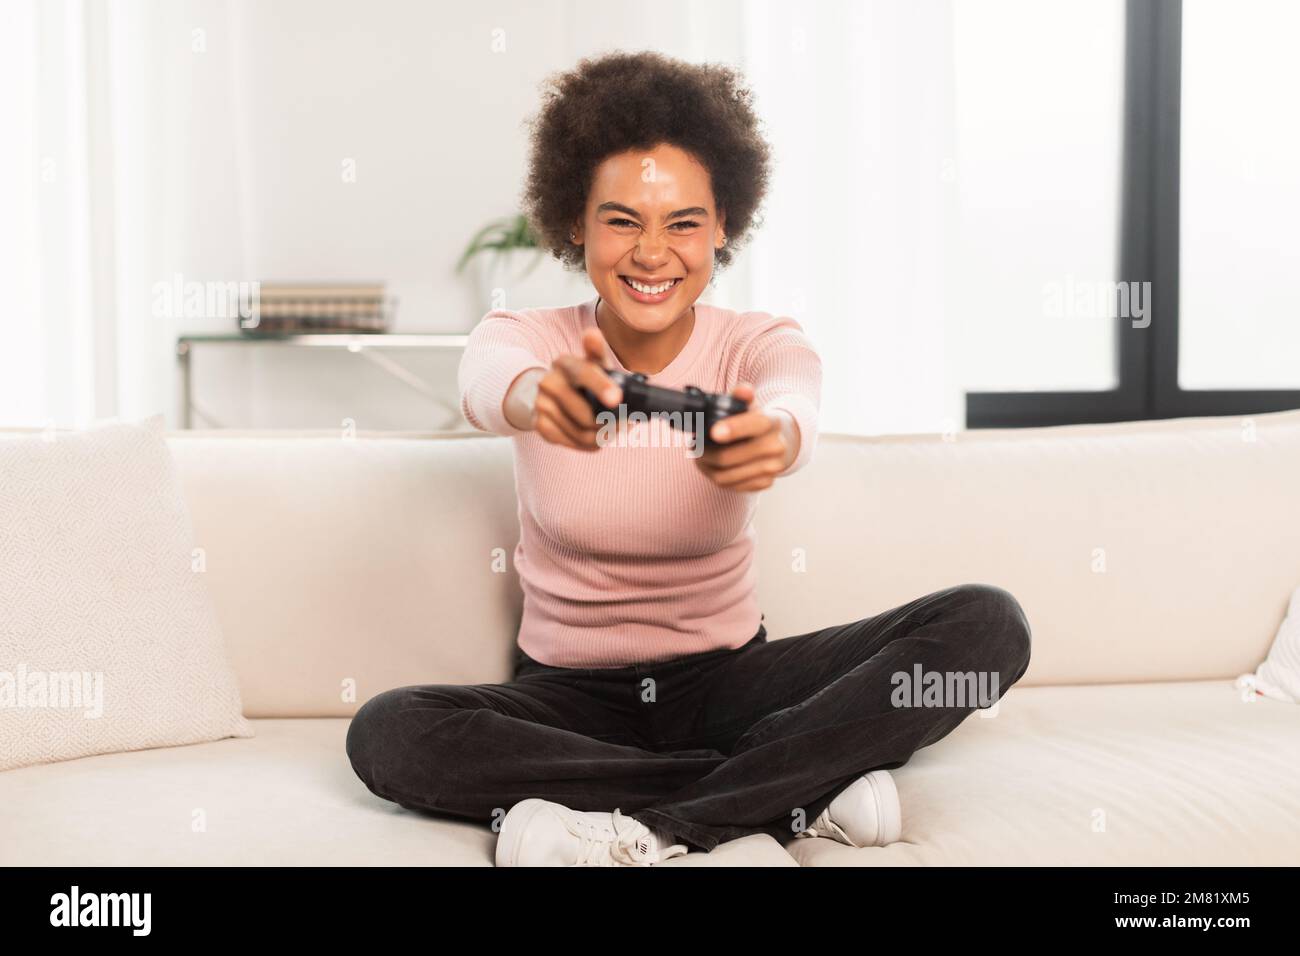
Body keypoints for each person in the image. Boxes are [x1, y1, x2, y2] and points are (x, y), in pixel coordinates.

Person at [346, 50, 1031, 867]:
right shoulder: (524, 338)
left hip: (732, 687)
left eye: (683, 223)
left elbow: (792, 405)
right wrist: (542, 397)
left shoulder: (759, 342)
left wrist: (769, 441)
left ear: (722, 227)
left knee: (988, 626)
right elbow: (492, 382)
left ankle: (660, 819)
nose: (651, 253)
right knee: (388, 734)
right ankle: (785, 791)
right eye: (622, 219)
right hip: (568, 701)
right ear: (576, 221)